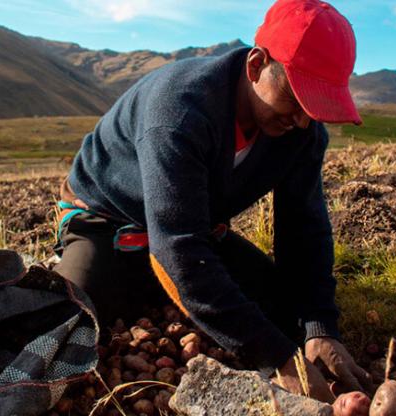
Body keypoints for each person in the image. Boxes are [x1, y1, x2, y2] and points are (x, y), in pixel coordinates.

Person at [52, 0, 371, 402]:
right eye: (296, 98)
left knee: (284, 309)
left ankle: (169, 292)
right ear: (256, 66)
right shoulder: (180, 110)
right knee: (69, 323)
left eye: (316, 107)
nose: (304, 120)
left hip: (193, 225)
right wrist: (278, 358)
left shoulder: (302, 130)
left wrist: (320, 328)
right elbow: (180, 248)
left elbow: (304, 228)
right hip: (110, 222)